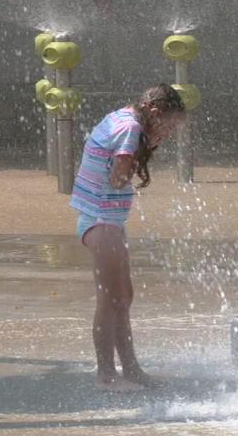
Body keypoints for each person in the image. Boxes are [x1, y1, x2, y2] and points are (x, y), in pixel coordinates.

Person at [70, 84, 186, 390]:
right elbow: (118, 176)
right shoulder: (131, 128)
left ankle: (131, 369)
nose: (168, 134)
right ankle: (107, 375)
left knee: (123, 298)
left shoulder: (123, 117)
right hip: (100, 220)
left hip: (105, 220)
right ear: (155, 112)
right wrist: (140, 153)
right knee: (108, 299)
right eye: (168, 127)